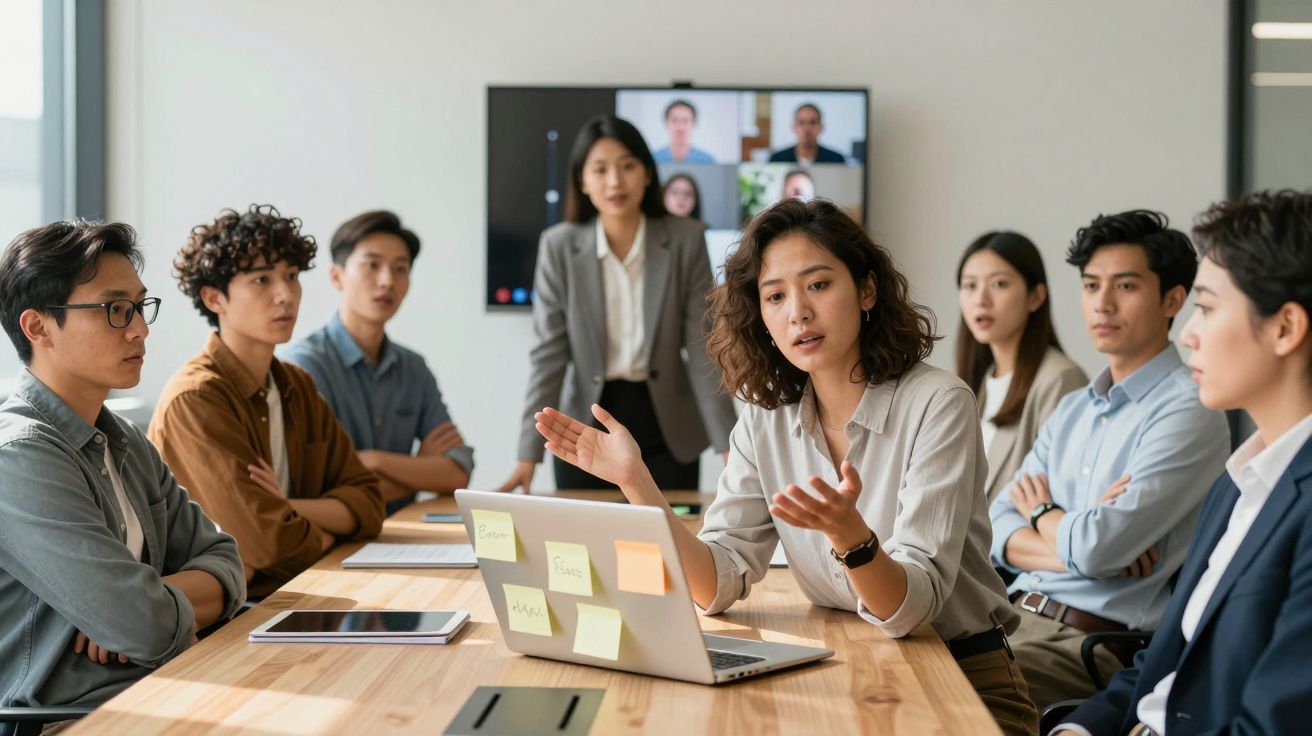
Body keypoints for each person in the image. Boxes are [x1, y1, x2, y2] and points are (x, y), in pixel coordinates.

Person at [534, 198, 1039, 735]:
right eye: (775, 296)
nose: (797, 311)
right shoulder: (764, 417)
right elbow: (717, 584)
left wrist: (852, 537)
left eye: (818, 285)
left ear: (867, 290)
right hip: (853, 674)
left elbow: (912, 609)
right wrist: (637, 483)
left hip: (962, 681)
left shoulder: (939, 402)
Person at [1054, 189, 1312, 736]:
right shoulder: (1237, 485)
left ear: (1286, 328)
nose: (1189, 334)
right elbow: (1165, 662)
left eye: (1209, 308)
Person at [0, 221, 245, 728]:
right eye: (115, 310)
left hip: (165, 687)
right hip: (70, 718)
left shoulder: (124, 438)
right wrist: (149, 612)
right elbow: (142, 626)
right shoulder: (18, 457)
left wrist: (155, 600)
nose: (140, 329)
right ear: (38, 327)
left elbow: (225, 559)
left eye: (139, 307)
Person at [988, 210, 1229, 709]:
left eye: (1125, 286)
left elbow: (1095, 545)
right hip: (1009, 616)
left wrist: (1041, 514)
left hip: (1086, 647)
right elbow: (994, 526)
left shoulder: (1191, 407)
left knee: (938, 696)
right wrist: (1083, 548)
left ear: (1173, 300)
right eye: (1091, 284)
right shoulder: (1075, 408)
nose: (1102, 303)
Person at [148, 205, 384, 599]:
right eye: (261, 280)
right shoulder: (197, 398)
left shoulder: (296, 384)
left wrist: (289, 505)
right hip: (228, 619)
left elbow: (370, 503)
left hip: (304, 593)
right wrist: (327, 531)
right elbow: (271, 544)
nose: (285, 295)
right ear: (213, 298)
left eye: (291, 277)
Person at [500, 115, 737, 493]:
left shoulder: (686, 239)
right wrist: (527, 457)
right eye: (600, 169)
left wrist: (730, 448)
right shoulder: (559, 246)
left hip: (668, 427)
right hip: (585, 427)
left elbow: (702, 347)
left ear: (647, 173)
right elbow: (549, 355)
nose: (615, 181)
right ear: (583, 180)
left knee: (668, 546)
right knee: (586, 546)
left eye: (627, 166)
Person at [282, 210, 473, 515]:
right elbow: (323, 489)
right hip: (330, 544)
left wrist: (374, 460)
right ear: (337, 276)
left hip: (402, 537)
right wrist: (419, 470)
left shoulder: (413, 368)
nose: (387, 281)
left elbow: (458, 470)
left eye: (400, 269)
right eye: (372, 265)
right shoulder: (304, 366)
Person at [956, 231, 1087, 503]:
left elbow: (1058, 497)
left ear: (1035, 297)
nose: (981, 299)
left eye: (999, 284)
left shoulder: (1060, 379)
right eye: (970, 286)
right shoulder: (977, 382)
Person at [769, 103, 846, 165]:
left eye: (813, 122)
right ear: (793, 127)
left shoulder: (836, 160)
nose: (807, 128)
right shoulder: (777, 159)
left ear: (821, 127)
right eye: (802, 123)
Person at [651, 100, 715, 164]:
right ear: (666, 123)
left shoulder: (707, 161)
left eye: (685, 121)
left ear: (694, 123)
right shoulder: (654, 159)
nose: (680, 127)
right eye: (674, 120)